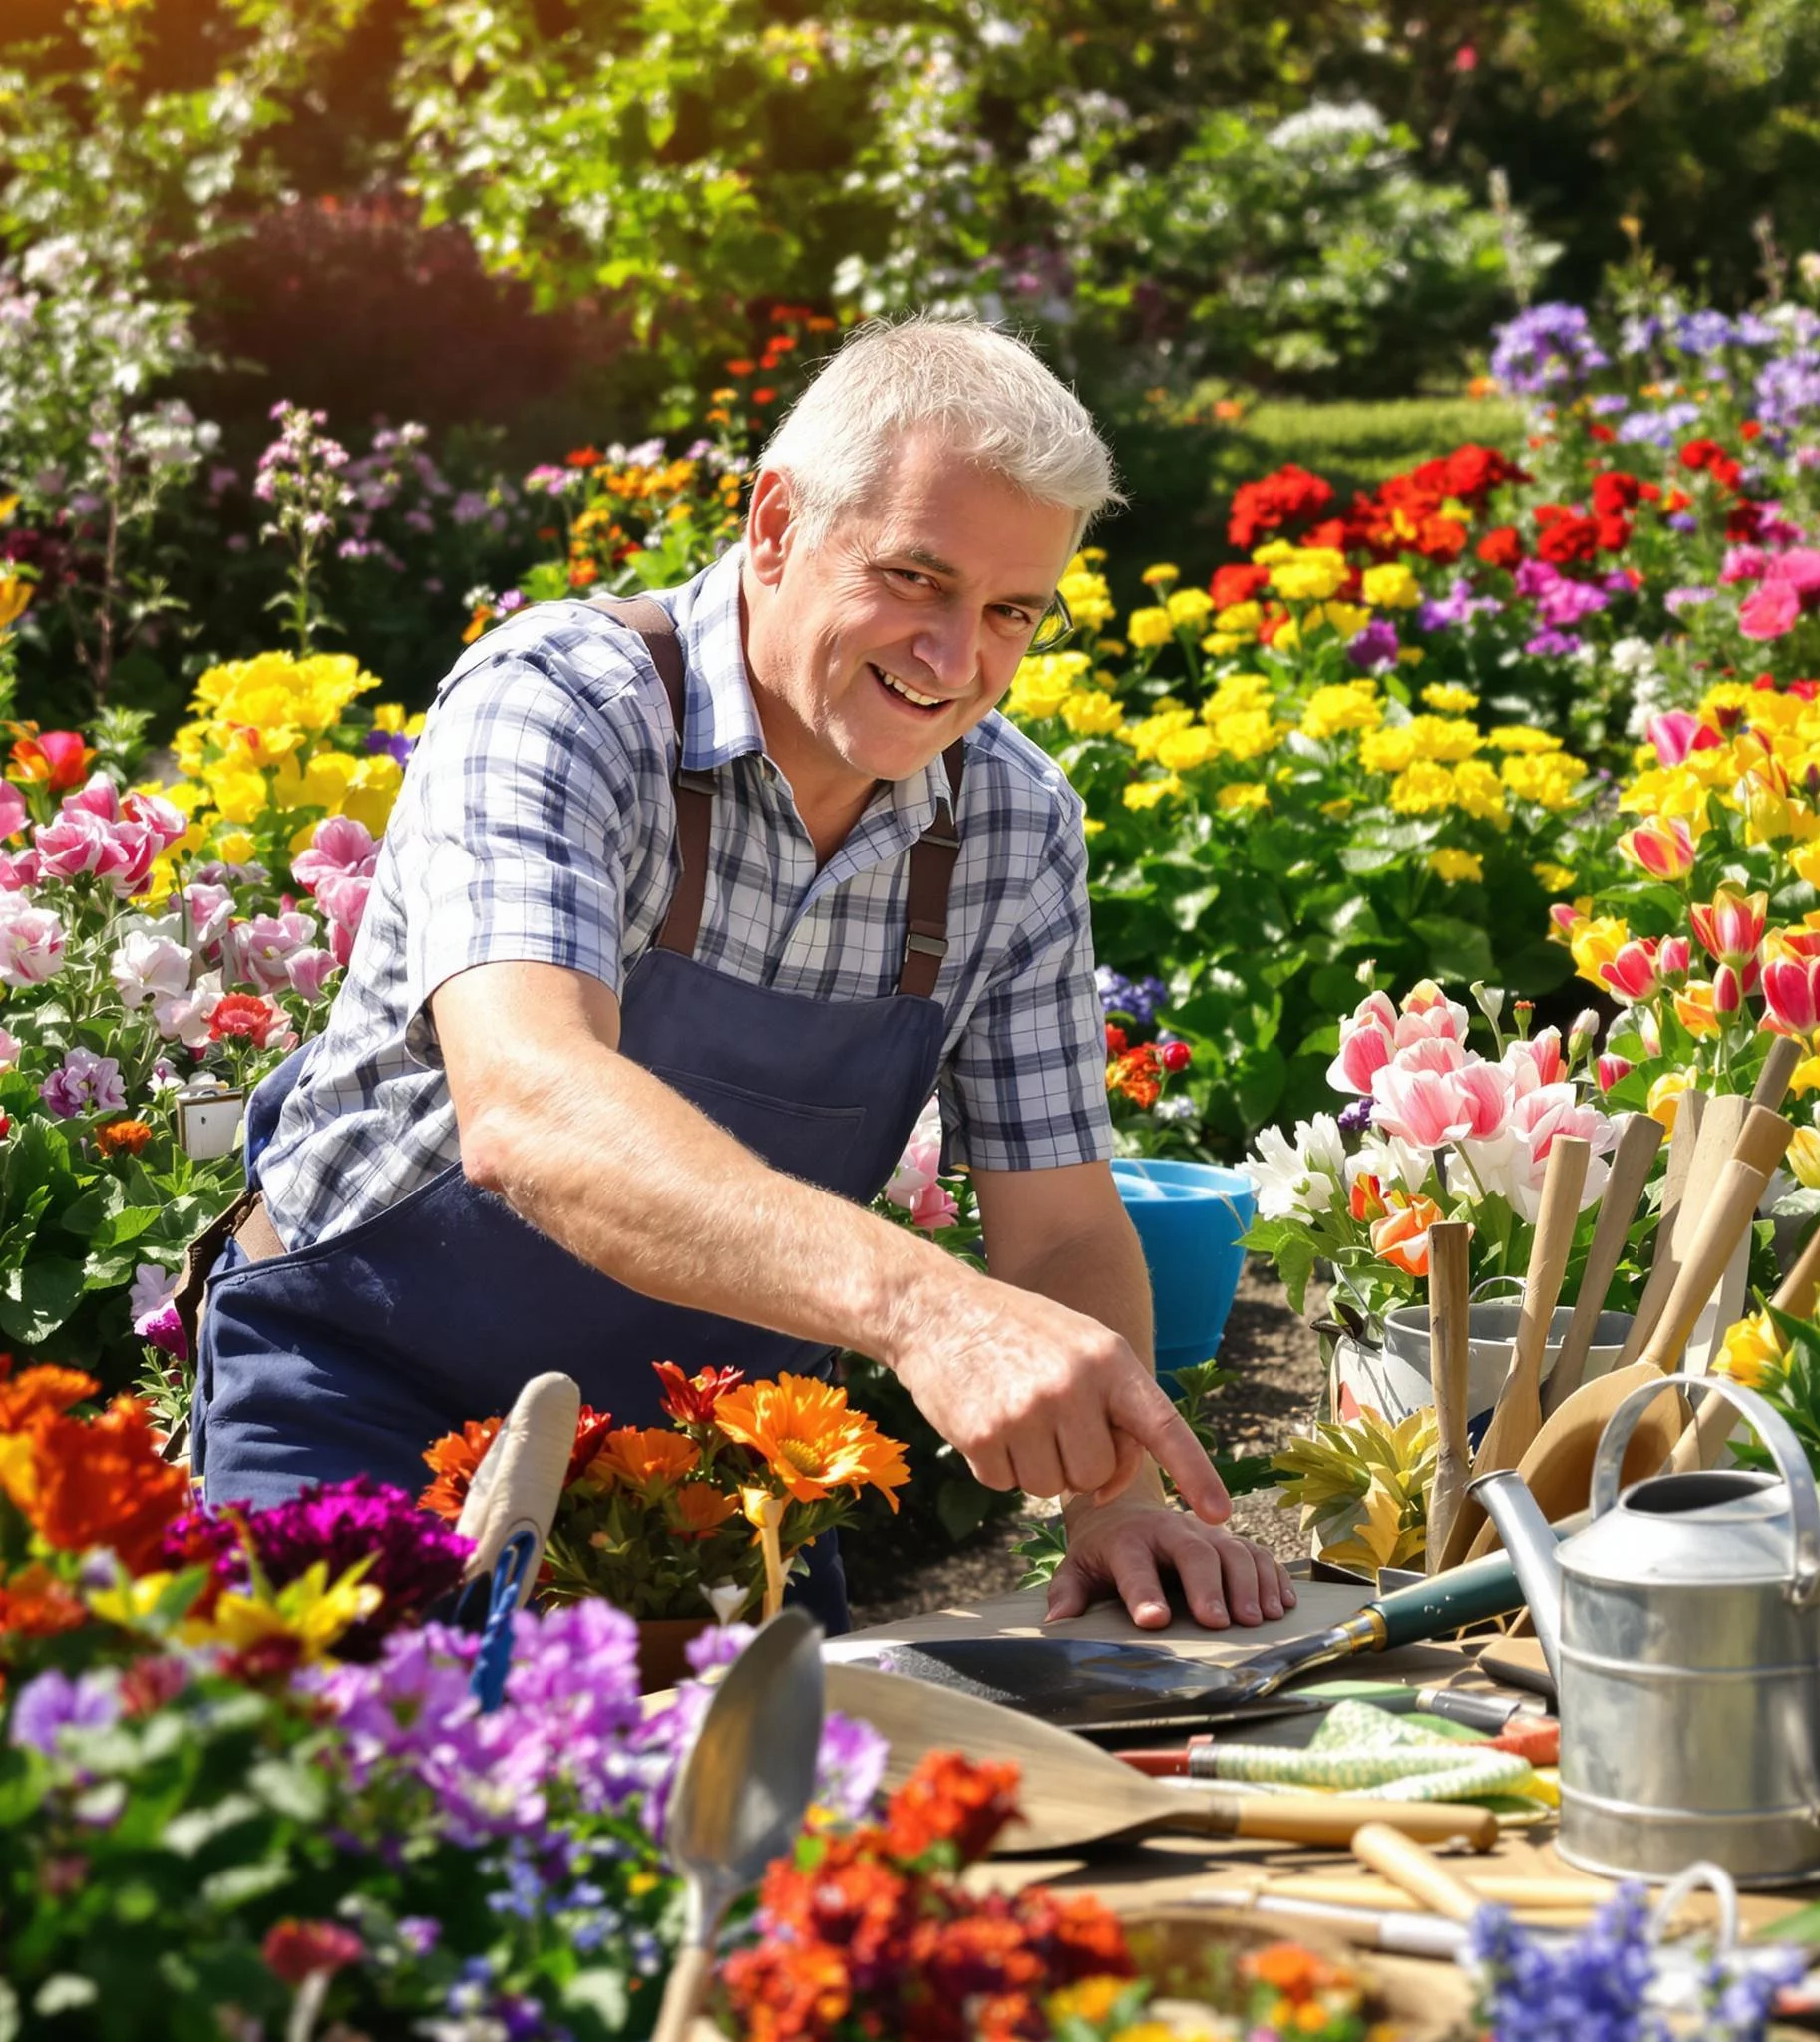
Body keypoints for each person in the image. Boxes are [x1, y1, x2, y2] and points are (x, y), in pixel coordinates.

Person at [189, 315, 1293, 1636]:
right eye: (913, 580)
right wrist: (927, 1310)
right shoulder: (564, 703)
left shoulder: (1009, 824)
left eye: (1010, 612)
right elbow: (532, 1109)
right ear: (773, 523)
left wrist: (1115, 1503)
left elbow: (1056, 1227)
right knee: (367, 1818)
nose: (956, 663)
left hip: (718, 1470)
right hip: (369, 1400)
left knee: (771, 1833)